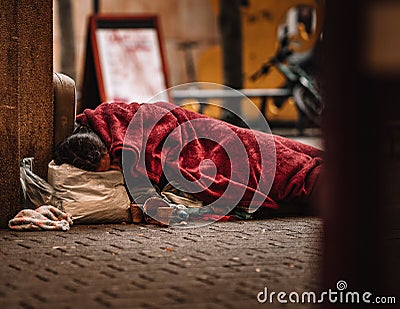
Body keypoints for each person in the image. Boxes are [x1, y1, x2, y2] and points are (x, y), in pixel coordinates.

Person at [54, 101, 323, 217]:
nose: (115, 167)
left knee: (270, 158)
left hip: (198, 137)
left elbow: (151, 145)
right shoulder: (98, 137)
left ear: (104, 145)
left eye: (111, 162)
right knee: (271, 163)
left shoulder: (116, 126)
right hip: (195, 138)